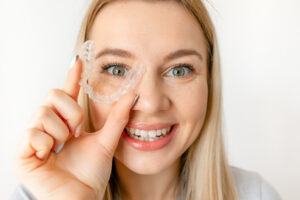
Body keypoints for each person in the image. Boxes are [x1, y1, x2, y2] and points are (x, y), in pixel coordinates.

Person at [10, 0, 282, 199]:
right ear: (83, 77)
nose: (150, 104)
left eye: (179, 70)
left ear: (209, 81)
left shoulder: (255, 195)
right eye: (117, 69)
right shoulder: (37, 195)